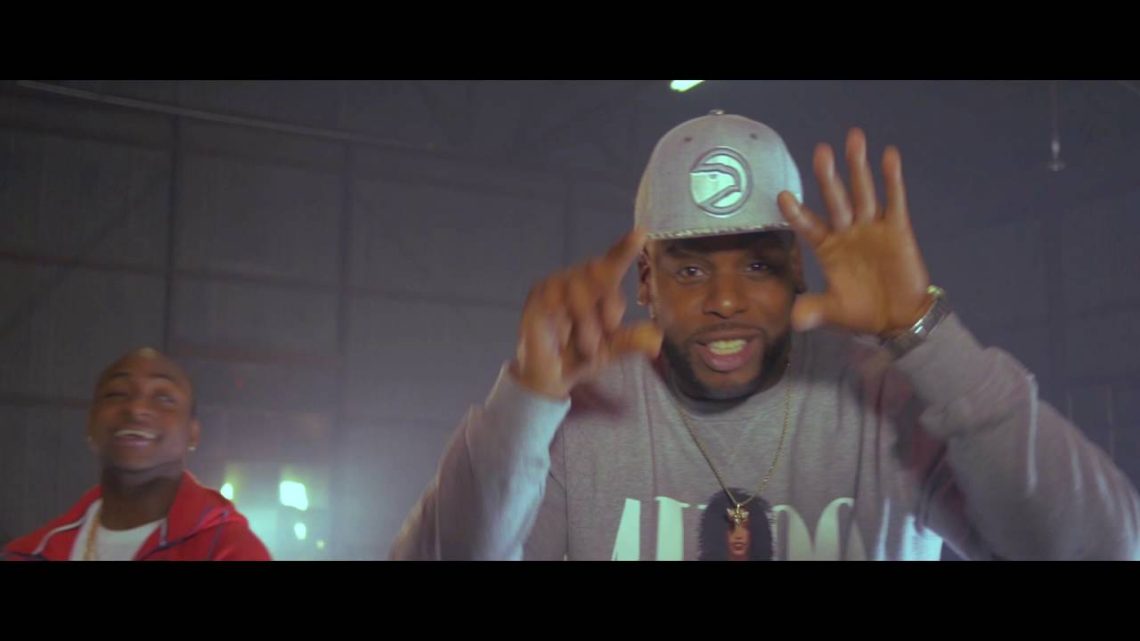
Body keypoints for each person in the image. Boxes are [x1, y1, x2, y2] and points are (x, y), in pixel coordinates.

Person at [389, 110, 1140, 560]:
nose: (725, 299)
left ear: (798, 270)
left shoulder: (887, 398)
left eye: (758, 262)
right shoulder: (580, 416)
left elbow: (1103, 549)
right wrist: (525, 400)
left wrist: (928, 336)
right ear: (645, 281)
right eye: (690, 268)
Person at [3, 347, 271, 561]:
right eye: (117, 394)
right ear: (91, 425)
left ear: (193, 434)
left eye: (164, 398)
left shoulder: (230, 550)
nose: (136, 409)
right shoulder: (30, 553)